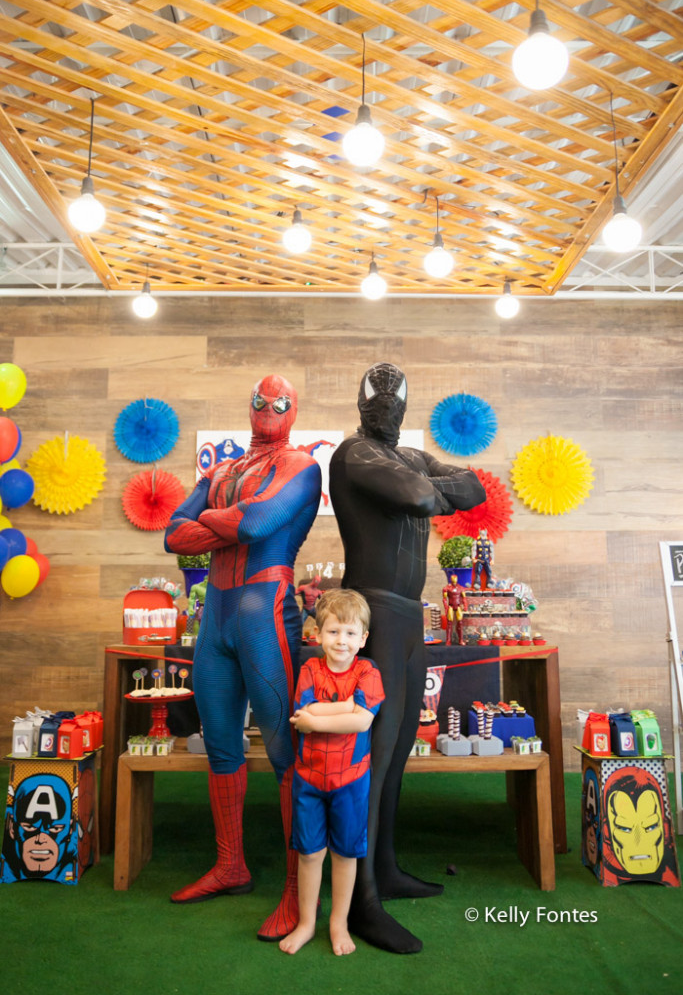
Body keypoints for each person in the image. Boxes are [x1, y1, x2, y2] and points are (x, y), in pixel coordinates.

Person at [329, 362, 486, 954]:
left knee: (396, 751)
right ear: (362, 407)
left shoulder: (409, 456)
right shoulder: (351, 453)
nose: (384, 412)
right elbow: (424, 495)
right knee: (372, 749)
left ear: (403, 409)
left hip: (407, 613)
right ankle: (361, 896)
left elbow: (472, 488)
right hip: (373, 609)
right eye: (375, 404)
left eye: (393, 404)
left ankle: (385, 867)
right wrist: (427, 488)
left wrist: (430, 489)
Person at [164, 374, 322, 941]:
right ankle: (230, 864)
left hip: (265, 611)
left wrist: (213, 521)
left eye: (280, 402)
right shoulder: (222, 471)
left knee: (284, 751)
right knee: (222, 745)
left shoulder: (302, 466)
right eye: (261, 400)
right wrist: (223, 523)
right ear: (249, 405)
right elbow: (171, 536)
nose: (269, 409)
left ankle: (293, 887)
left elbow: (255, 522)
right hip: (219, 619)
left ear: (293, 409)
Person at [280, 588, 384, 956]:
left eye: (351, 633)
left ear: (363, 638)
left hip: (351, 780)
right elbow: (300, 715)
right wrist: (345, 709)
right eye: (334, 631)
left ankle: (338, 922)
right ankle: (307, 921)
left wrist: (317, 717)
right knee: (309, 853)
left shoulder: (368, 672)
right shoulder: (310, 669)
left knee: (345, 853)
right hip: (309, 777)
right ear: (318, 635)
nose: (342, 640)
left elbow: (361, 723)